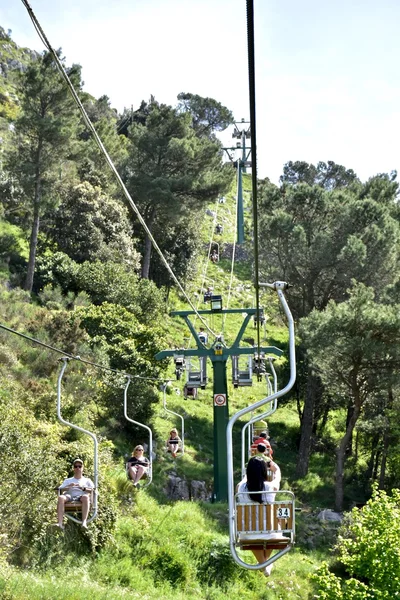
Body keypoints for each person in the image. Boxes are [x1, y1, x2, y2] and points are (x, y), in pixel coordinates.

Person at [237, 457, 283, 576]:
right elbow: (277, 479)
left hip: (248, 533)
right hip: (270, 532)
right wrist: (276, 469)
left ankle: (264, 565)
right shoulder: (269, 488)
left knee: (253, 537)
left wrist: (250, 473)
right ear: (264, 471)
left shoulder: (241, 489)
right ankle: (265, 564)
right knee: (272, 532)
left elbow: (244, 480)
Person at [56, 458, 94, 530]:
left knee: (86, 497)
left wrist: (82, 488)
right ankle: (60, 523)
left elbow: (92, 490)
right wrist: (68, 487)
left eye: (79, 466)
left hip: (81, 497)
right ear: (73, 468)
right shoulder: (68, 480)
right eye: (76, 466)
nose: (78, 468)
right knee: (61, 497)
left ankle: (84, 522)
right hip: (69, 496)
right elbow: (60, 489)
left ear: (82, 468)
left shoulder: (87, 480)